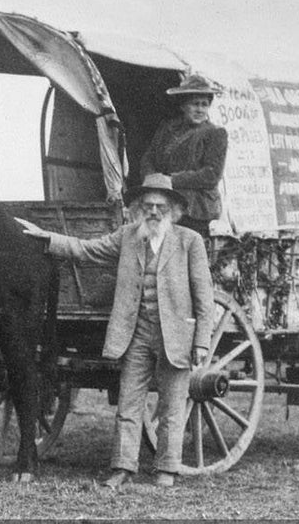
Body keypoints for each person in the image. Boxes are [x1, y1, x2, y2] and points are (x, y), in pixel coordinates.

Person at [17, 173, 214, 490]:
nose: (152, 211)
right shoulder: (127, 236)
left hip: (176, 337)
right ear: (138, 208)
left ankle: (166, 470)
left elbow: (205, 298)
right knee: (128, 405)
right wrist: (46, 237)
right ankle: (122, 468)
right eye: (147, 205)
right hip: (135, 335)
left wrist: (202, 342)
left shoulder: (190, 242)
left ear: (173, 210)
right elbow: (86, 249)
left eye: (159, 206)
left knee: (172, 408)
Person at [139, 73, 229, 236]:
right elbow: (149, 157)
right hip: (164, 203)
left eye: (204, 104)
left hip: (195, 210)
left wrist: (170, 181)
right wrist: (151, 179)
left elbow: (211, 175)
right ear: (183, 106)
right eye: (195, 104)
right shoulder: (168, 129)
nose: (200, 109)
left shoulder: (215, 134)